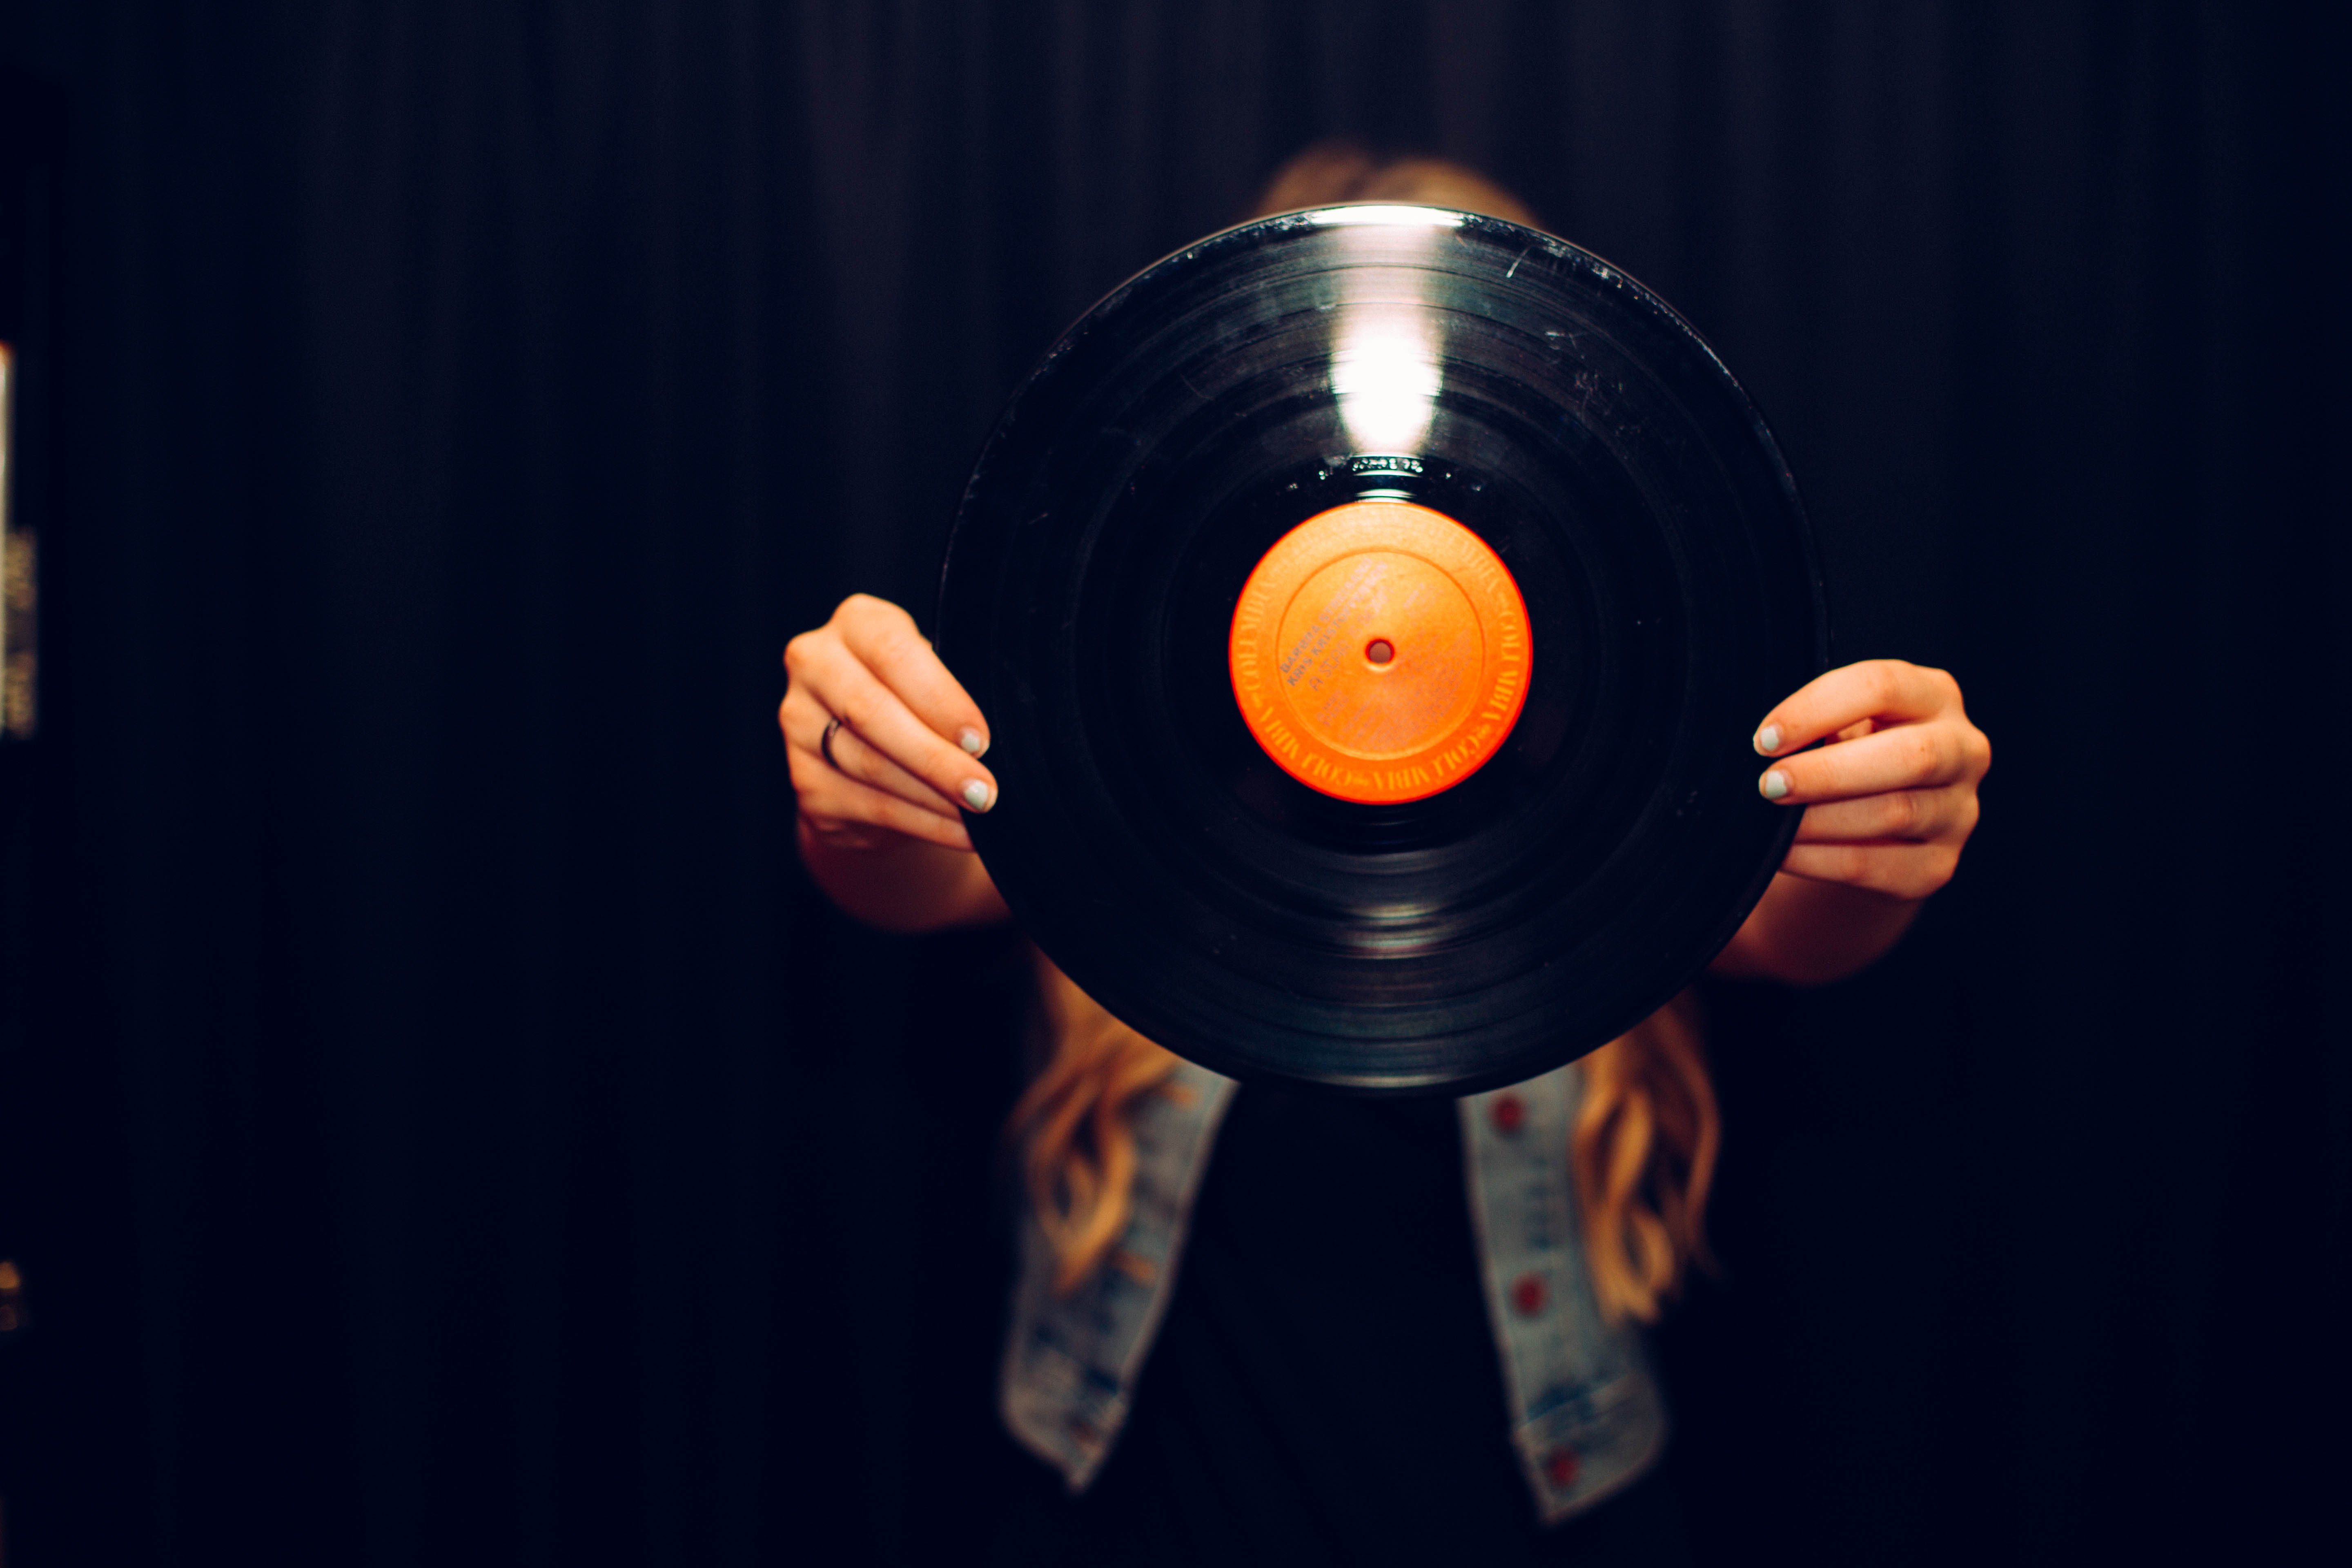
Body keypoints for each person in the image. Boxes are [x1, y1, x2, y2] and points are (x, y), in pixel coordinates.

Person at [780, 146, 1990, 1566]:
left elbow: (1795, 927)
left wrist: (1874, 834)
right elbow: (917, 877)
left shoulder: (1619, 780)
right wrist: (859, 793)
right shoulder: (1123, 765)